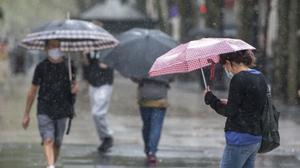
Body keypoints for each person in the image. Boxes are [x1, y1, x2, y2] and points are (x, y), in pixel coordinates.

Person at [204, 50, 268, 168]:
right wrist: (231, 102)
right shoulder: (259, 76)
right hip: (255, 137)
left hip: (239, 137)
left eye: (225, 66)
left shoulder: (238, 79)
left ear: (229, 62)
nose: (226, 70)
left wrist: (211, 99)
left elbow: (230, 112)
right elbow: (256, 104)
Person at [22, 40, 78, 168]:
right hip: (44, 108)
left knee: (57, 142)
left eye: (58, 46)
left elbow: (73, 86)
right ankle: (51, 166)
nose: (56, 49)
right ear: (46, 48)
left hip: (63, 109)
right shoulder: (41, 67)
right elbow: (32, 91)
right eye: (52, 46)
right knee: (48, 139)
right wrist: (26, 113)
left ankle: (50, 163)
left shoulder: (69, 66)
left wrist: (75, 90)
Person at [132, 77, 171, 165]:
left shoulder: (141, 64)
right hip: (160, 97)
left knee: (147, 125)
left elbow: (134, 76)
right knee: (156, 126)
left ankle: (148, 149)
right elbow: (172, 76)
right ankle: (152, 152)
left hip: (145, 96)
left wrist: (140, 80)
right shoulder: (165, 63)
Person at [85, 51, 114, 152]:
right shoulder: (91, 50)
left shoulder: (107, 49)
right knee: (95, 114)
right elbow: (88, 65)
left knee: (97, 113)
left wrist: (104, 62)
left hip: (104, 83)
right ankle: (104, 138)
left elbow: (107, 65)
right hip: (93, 83)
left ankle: (107, 136)